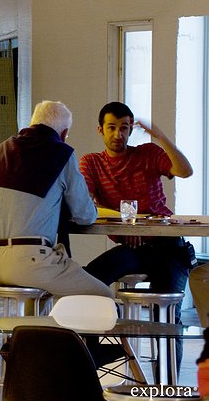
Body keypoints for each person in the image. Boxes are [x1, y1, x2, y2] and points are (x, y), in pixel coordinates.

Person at [80, 102, 196, 367]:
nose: (118, 134)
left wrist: (162, 137)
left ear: (131, 130)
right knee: (86, 281)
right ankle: (94, 352)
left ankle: (168, 387)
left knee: (165, 314)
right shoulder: (92, 163)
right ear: (100, 130)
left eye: (124, 128)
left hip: (167, 245)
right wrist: (125, 225)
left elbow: (185, 171)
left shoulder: (148, 153)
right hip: (132, 248)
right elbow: (85, 205)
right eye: (112, 127)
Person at [0, 100, 113, 298]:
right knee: (103, 296)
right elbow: (85, 215)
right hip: (30, 263)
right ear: (64, 134)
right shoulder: (61, 153)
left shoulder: (3, 149)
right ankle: (64, 329)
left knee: (45, 295)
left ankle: (37, 328)